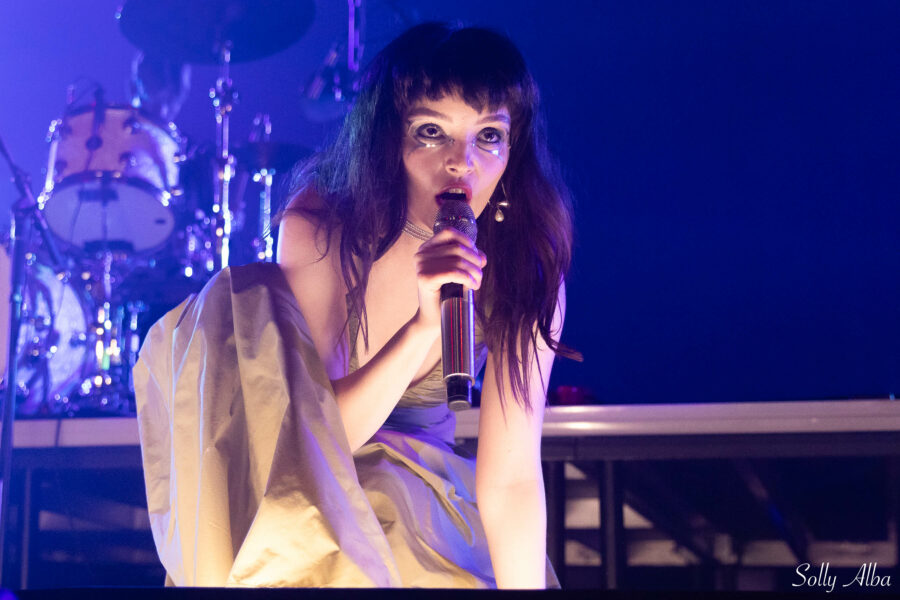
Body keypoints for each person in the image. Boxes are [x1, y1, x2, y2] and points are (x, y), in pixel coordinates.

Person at [133, 22, 578, 588]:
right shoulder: (322, 225)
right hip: (303, 481)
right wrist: (422, 327)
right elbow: (317, 440)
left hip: (430, 496)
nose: (461, 163)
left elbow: (511, 478)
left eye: (487, 136)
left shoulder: (524, 266)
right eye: (431, 132)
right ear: (388, 139)